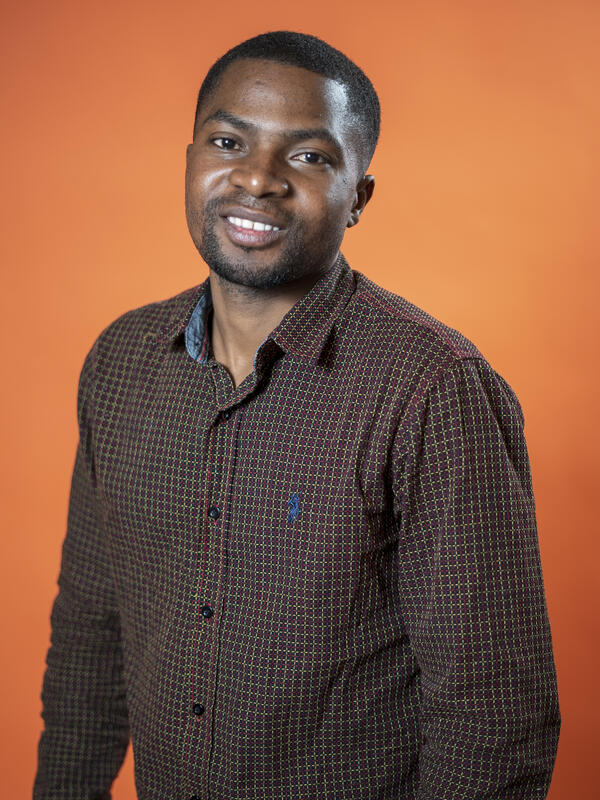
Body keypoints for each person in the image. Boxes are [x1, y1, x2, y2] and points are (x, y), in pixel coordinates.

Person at [34, 30, 561, 800]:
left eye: (309, 156)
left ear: (359, 199)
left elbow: (493, 714)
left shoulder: (431, 389)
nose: (257, 178)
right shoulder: (121, 362)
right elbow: (91, 632)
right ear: (190, 160)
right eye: (228, 142)